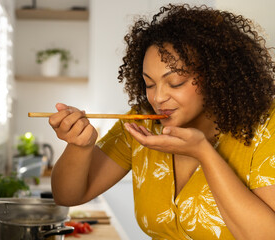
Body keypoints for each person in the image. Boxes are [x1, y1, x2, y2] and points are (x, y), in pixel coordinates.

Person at [48, 4, 275, 239]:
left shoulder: (266, 126)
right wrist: (80, 145)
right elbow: (67, 196)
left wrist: (204, 153)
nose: (158, 98)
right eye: (149, 84)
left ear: (217, 75)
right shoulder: (142, 124)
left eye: (175, 83)